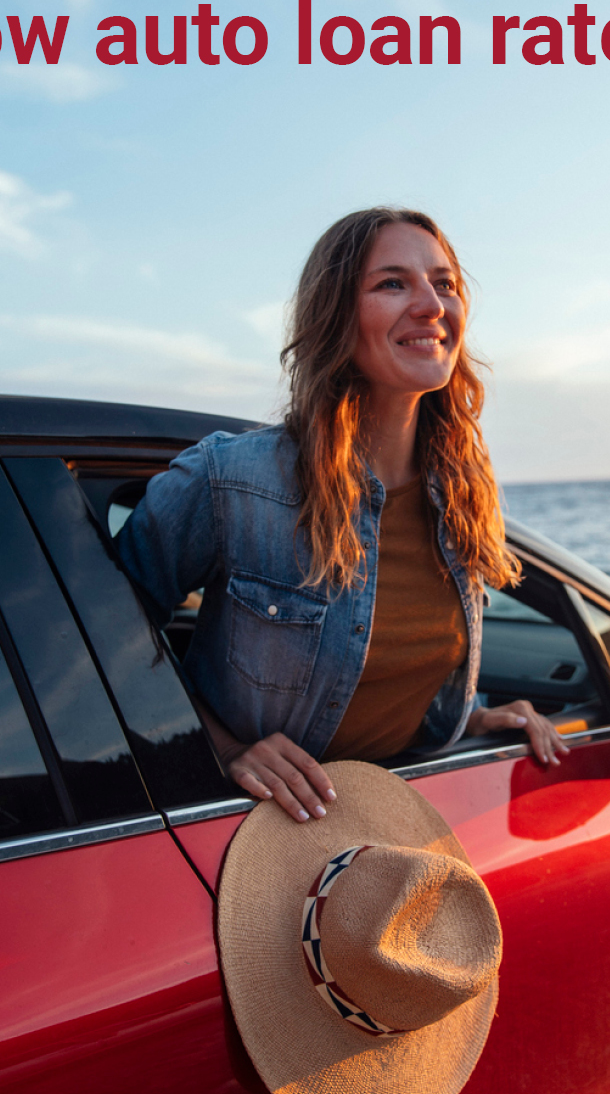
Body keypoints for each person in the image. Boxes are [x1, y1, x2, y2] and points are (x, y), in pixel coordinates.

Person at [117, 206, 568, 823]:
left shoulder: (461, 491)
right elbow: (101, 636)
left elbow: (388, 672)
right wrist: (222, 747)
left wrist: (473, 719)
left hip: (396, 826)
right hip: (257, 835)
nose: (431, 304)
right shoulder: (232, 479)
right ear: (336, 315)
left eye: (444, 284)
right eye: (392, 283)